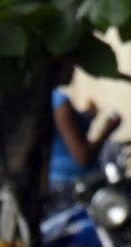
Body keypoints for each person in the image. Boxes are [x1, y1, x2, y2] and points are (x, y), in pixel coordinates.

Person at [47, 66, 118, 198]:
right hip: (80, 184)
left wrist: (87, 117)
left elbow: (66, 133)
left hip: (59, 185)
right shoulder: (58, 101)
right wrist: (107, 130)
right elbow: (83, 157)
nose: (74, 70)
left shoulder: (45, 101)